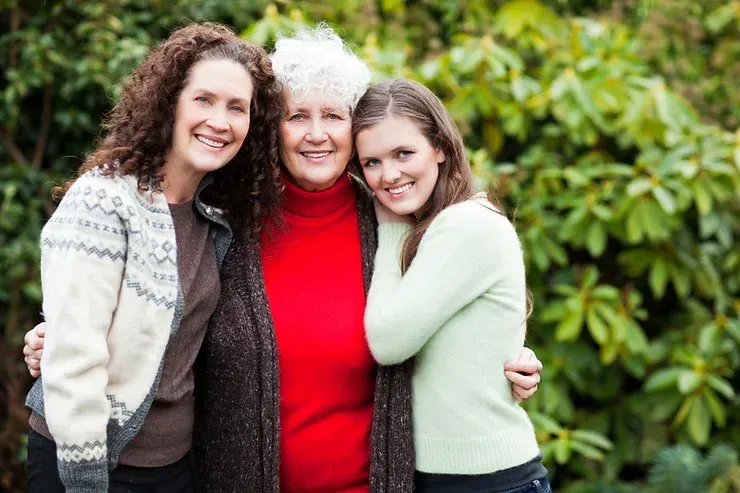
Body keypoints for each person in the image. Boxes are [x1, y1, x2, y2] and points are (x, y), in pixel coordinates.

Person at [23, 25, 543, 493]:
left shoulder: (396, 223)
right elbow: (159, 317)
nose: (316, 134)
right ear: (272, 128)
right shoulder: (226, 217)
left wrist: (510, 361)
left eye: (334, 116)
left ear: (354, 129)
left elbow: (459, 315)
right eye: (297, 116)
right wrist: (61, 340)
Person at [23, 22, 281, 493]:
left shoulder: (219, 214)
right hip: (92, 461)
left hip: (175, 466)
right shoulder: (105, 199)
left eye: (237, 108)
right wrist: (84, 478)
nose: (220, 121)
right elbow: (75, 356)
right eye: (203, 99)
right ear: (170, 102)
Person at [353, 78, 550, 493]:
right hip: (444, 477)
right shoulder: (433, 228)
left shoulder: (466, 225)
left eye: (404, 153)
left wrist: (390, 233)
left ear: (440, 147)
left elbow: (389, 341)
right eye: (372, 162)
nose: (389, 175)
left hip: (488, 481)